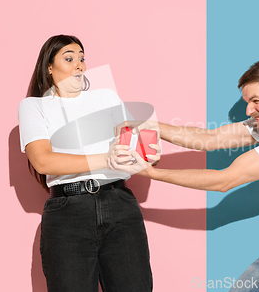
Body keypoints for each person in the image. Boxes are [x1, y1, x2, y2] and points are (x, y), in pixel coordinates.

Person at [109, 59, 259, 291]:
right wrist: (150, 126)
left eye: (255, 100)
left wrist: (152, 173)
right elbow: (211, 138)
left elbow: (224, 180)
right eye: (247, 101)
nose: (249, 110)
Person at [17, 34, 156, 292]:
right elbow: (43, 161)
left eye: (81, 59)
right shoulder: (34, 107)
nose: (79, 64)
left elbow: (133, 145)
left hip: (119, 203)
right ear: (49, 67)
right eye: (69, 58)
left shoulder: (106, 97)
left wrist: (148, 153)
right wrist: (106, 159)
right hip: (68, 212)